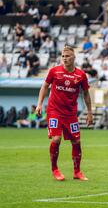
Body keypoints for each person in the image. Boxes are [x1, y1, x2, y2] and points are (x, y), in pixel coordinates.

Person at [36, 45, 93, 181]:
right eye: (63, 56)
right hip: (54, 110)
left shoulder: (81, 75)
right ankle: (55, 169)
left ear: (74, 57)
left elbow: (86, 93)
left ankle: (77, 172)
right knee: (56, 139)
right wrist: (39, 104)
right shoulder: (54, 71)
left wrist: (90, 112)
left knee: (77, 141)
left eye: (67, 56)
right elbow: (44, 86)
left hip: (70, 113)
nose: (64, 58)